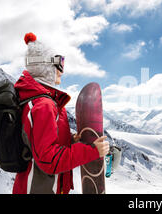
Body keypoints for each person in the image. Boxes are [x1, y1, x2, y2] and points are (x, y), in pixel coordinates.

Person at [12, 32, 109, 194]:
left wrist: (70, 140)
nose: (62, 70)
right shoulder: (44, 105)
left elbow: (36, 140)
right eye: (59, 62)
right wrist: (92, 151)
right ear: (46, 67)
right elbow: (48, 159)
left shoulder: (37, 100)